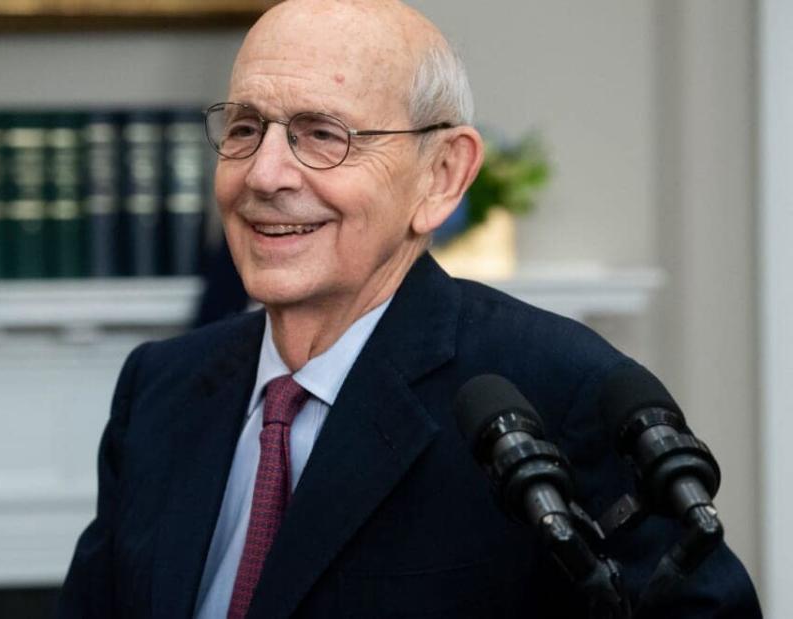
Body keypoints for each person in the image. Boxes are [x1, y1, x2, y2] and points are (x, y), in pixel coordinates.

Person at [57, 1, 760, 617]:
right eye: (245, 128)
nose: (264, 174)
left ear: (442, 176)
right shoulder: (159, 388)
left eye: (322, 134)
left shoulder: (560, 392)